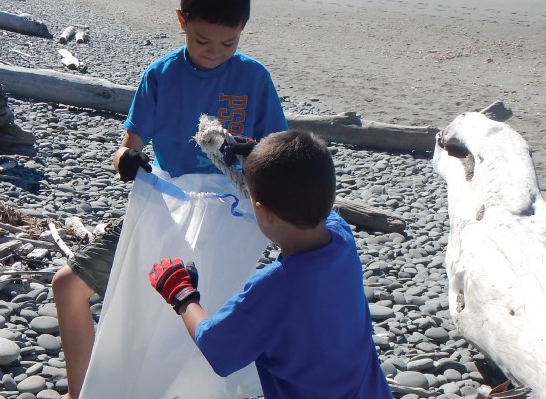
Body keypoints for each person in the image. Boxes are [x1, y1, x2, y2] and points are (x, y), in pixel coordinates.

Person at [51, 0, 288, 398]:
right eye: (202, 40)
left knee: (189, 325)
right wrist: (126, 158)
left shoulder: (253, 78)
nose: (215, 51)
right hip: (165, 212)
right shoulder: (161, 76)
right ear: (181, 20)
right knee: (68, 286)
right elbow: (129, 143)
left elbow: (278, 151)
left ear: (242, 31)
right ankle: (80, 393)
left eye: (229, 42)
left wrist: (247, 151)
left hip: (226, 222)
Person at [148, 130, 392, 398]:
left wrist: (182, 295)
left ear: (263, 211)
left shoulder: (273, 288)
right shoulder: (342, 238)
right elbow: (307, 190)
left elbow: (216, 347)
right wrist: (258, 160)